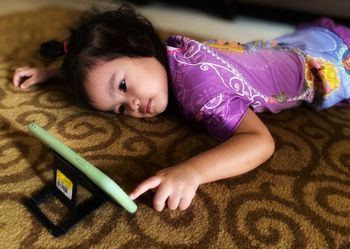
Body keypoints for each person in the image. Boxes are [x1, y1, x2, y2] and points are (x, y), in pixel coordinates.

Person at [12, 3, 350, 212]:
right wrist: (56, 73)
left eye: (123, 87)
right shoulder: (160, 55)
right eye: (118, 109)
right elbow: (104, 69)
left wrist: (193, 172)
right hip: (302, 43)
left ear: (140, 47)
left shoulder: (202, 92)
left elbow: (259, 141)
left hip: (335, 62)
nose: (132, 105)